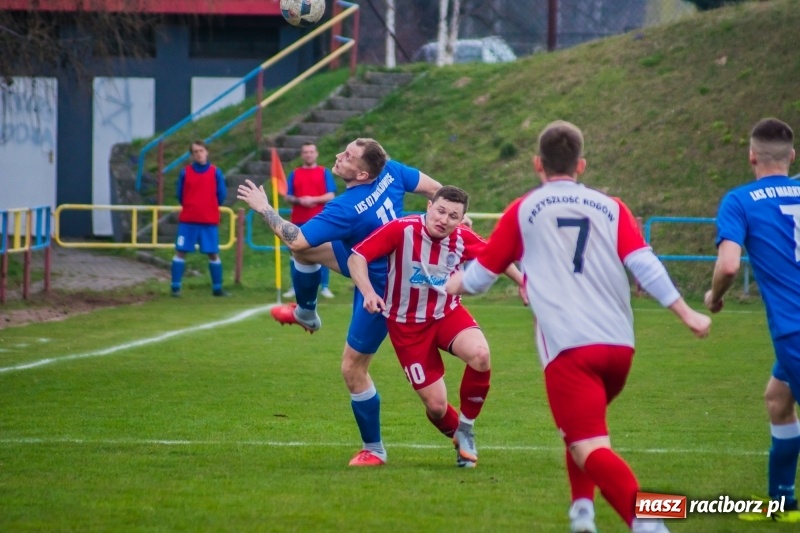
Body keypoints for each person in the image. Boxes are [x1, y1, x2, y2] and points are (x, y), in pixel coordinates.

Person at [445, 120, 711, 533]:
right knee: (582, 430)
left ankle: (649, 522)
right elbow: (643, 263)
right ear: (581, 165)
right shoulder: (612, 206)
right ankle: (582, 512)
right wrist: (686, 312)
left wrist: (452, 282)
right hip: (620, 347)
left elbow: (479, 278)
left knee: (590, 448)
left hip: (571, 348)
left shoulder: (524, 209)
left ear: (538, 164)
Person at [237, 138, 443, 466]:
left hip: (381, 288)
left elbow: (298, 235)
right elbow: (439, 191)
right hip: (363, 256)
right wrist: (454, 221)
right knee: (302, 253)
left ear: (362, 174)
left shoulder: (346, 208)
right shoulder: (390, 171)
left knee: (353, 369)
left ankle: (375, 449)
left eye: (347, 156)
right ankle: (306, 312)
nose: (338, 156)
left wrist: (264, 208)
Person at [348, 186, 526, 467]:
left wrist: (523, 282)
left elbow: (496, 255)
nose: (444, 219)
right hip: (407, 327)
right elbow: (357, 256)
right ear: (429, 206)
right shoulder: (401, 230)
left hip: (446, 314)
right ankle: (457, 436)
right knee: (436, 406)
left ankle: (466, 430)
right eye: (441, 211)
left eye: (453, 216)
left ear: (461, 219)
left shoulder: (462, 238)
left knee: (480, 355)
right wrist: (369, 291)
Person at [704, 117, 800, 523]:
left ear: (751, 156)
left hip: (794, 327)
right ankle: (783, 504)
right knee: (778, 401)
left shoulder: (740, 200)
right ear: (791, 156)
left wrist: (713, 296)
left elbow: (728, 266)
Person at [171, 139, 228, 297]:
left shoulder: (216, 172)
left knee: (213, 253)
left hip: (208, 222)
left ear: (207, 151)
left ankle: (217, 288)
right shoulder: (185, 172)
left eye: (201, 150)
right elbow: (180, 195)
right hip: (188, 221)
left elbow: (221, 195)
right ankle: (175, 287)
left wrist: (208, 206)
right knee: (180, 251)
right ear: (192, 154)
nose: (199, 154)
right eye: (195, 152)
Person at [282, 142, 337, 300]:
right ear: (302, 155)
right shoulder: (295, 173)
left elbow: (330, 195)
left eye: (311, 151)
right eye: (305, 152)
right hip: (298, 220)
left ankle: (324, 287)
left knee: (323, 253)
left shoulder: (324, 172)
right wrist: (300, 200)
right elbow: (288, 196)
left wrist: (313, 199)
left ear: (316, 153)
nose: (308, 154)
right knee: (295, 253)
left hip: (320, 220)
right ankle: (294, 286)